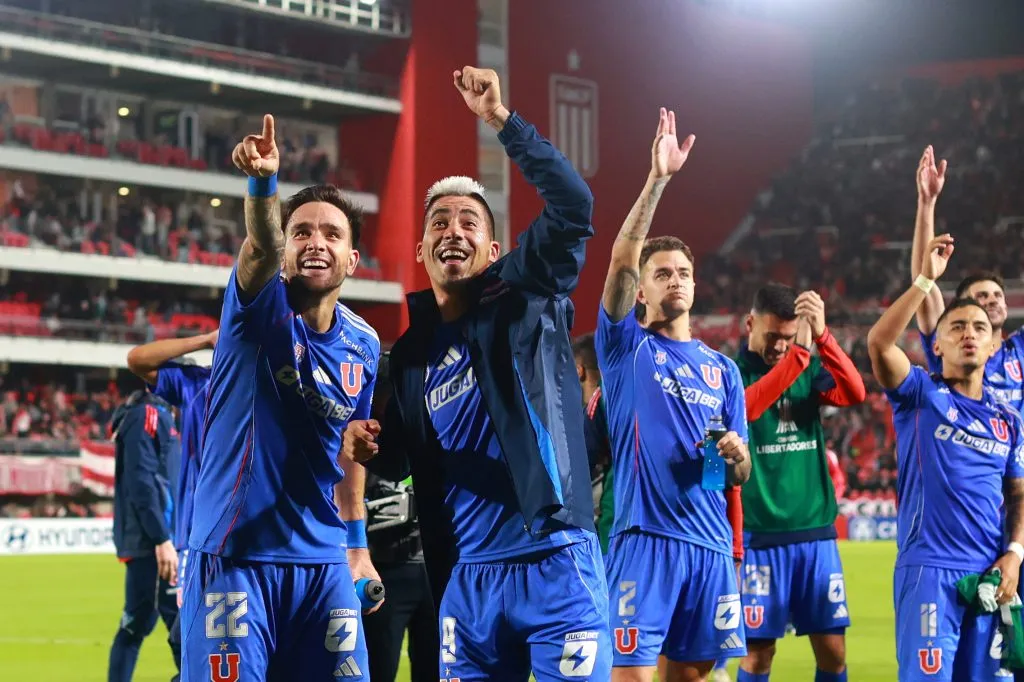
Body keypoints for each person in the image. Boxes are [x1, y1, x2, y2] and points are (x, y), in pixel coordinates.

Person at [342, 66, 610, 681]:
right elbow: (400, 461)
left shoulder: (525, 294)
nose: (453, 231)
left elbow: (575, 205)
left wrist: (501, 121)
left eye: (469, 223)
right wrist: (366, 446)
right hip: (466, 580)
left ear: (494, 251)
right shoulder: (408, 357)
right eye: (439, 223)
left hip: (554, 559)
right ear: (422, 251)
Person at [179, 114, 381, 681]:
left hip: (322, 563)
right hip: (235, 554)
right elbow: (259, 246)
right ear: (287, 249)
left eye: (332, 234)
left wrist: (357, 543)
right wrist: (264, 185)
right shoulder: (256, 307)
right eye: (302, 232)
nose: (316, 242)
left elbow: (350, 451)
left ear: (352, 260)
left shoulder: (364, 342)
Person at [596, 107, 751, 682]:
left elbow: (736, 476)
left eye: (683, 271)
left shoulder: (724, 371)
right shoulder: (624, 348)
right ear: (643, 289)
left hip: (709, 546)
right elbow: (618, 261)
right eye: (661, 273)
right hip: (644, 541)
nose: (676, 279)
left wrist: (735, 457)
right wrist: (657, 180)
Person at [868, 233, 1024, 680]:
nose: (969, 334)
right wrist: (923, 282)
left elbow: (1018, 496)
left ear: (994, 346)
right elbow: (879, 344)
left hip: (991, 579)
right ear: (937, 345)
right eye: (956, 328)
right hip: (930, 573)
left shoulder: (1008, 420)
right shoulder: (921, 394)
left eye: (979, 328)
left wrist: (1013, 554)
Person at [733, 283, 866, 682]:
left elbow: (855, 392)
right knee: (758, 655)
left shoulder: (807, 368)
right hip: (760, 537)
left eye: (787, 338)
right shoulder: (729, 374)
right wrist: (800, 355)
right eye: (771, 335)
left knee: (833, 652)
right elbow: (748, 407)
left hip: (815, 536)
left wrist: (823, 336)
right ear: (749, 323)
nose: (779, 345)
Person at [127, 330, 218, 680]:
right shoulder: (197, 385)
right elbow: (138, 359)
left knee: (198, 640)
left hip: (243, 541)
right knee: (184, 640)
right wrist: (206, 339)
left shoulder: (271, 383)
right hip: (194, 540)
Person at [911, 145, 1024, 409]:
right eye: (982, 297)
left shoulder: (1018, 348)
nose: (993, 301)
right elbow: (922, 281)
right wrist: (926, 203)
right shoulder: (950, 347)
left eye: (998, 296)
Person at [362, 352, 439, 682]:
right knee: (378, 671)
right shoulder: (361, 435)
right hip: (383, 570)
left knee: (436, 672)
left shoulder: (430, 426)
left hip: (433, 571)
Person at [107, 390, 181, 682]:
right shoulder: (150, 415)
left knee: (137, 623)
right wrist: (162, 538)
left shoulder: (158, 416)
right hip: (157, 543)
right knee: (181, 627)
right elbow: (143, 480)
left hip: (156, 540)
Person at [574, 333, 615, 553]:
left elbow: (579, 469)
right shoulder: (621, 393)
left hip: (612, 526)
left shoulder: (597, 405)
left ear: (578, 370)